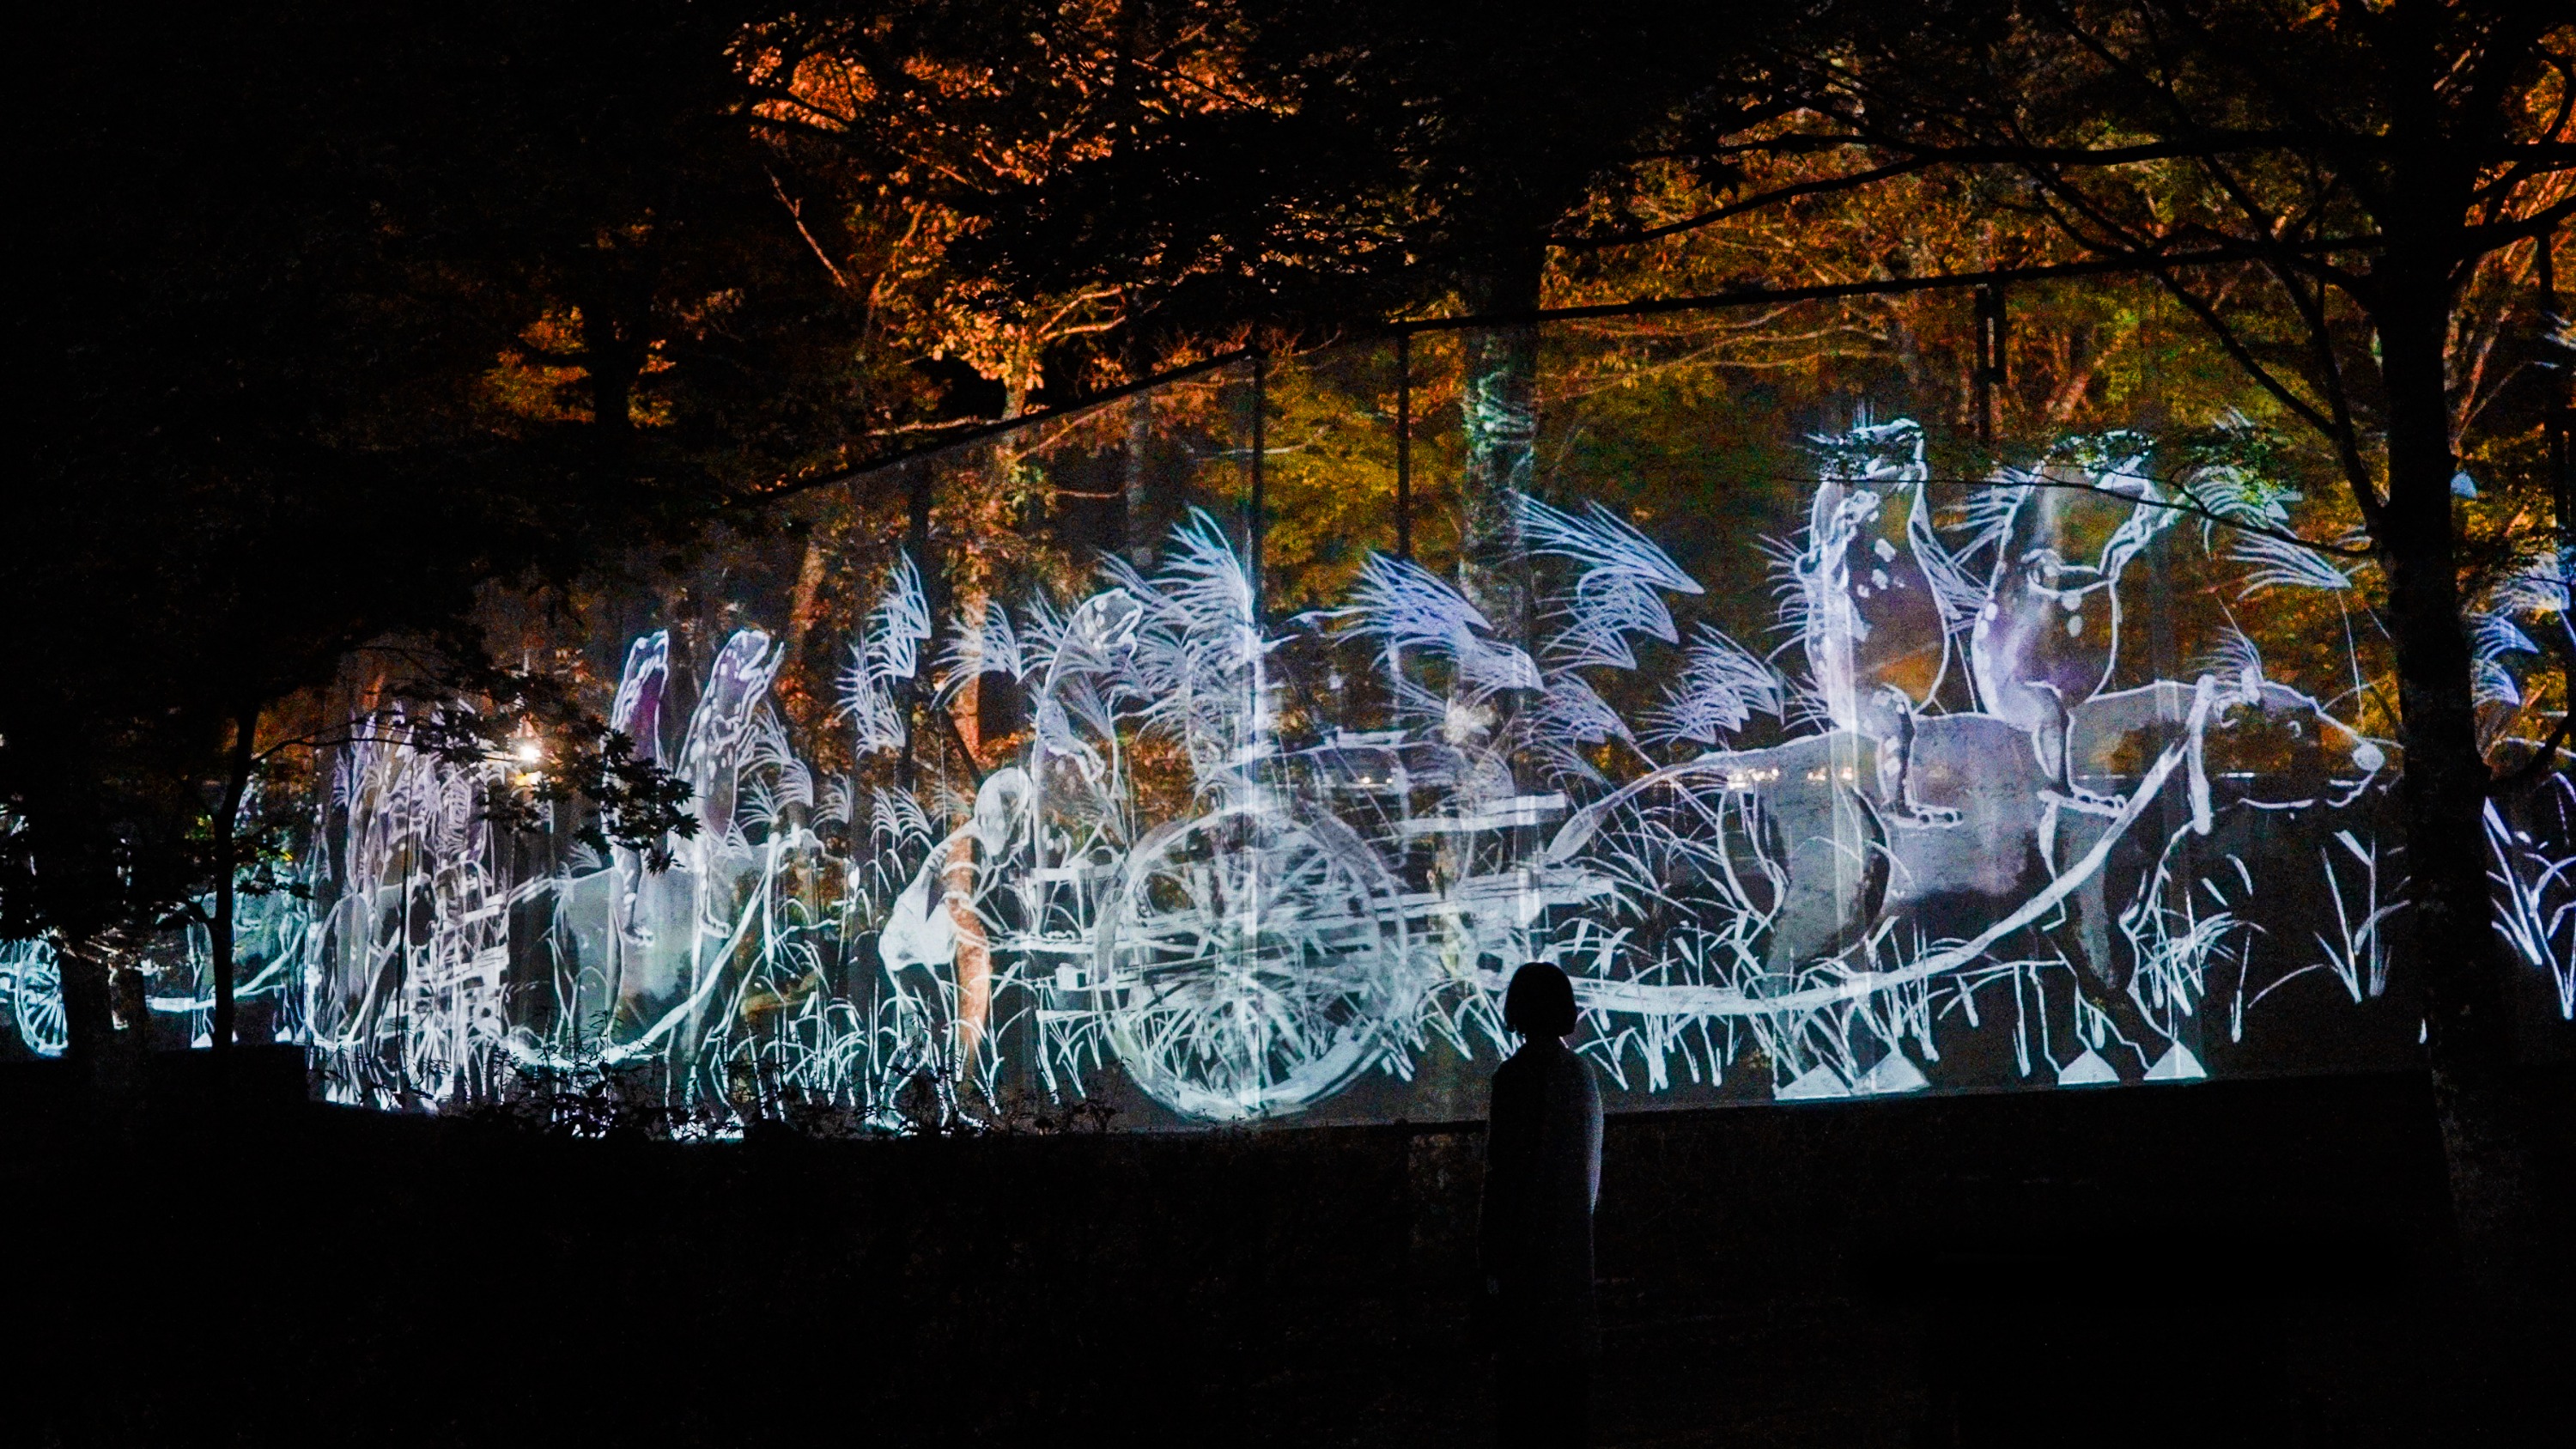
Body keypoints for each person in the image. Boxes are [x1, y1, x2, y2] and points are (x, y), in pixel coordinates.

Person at [1479, 961, 1604, 1447]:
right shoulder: (1583, 1076)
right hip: (1573, 1259)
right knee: (1569, 1407)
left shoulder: (1513, 1079)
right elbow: (1588, 1176)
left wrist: (1491, 1260)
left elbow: (1503, 1177)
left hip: (1524, 1265)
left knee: (1523, 1404)